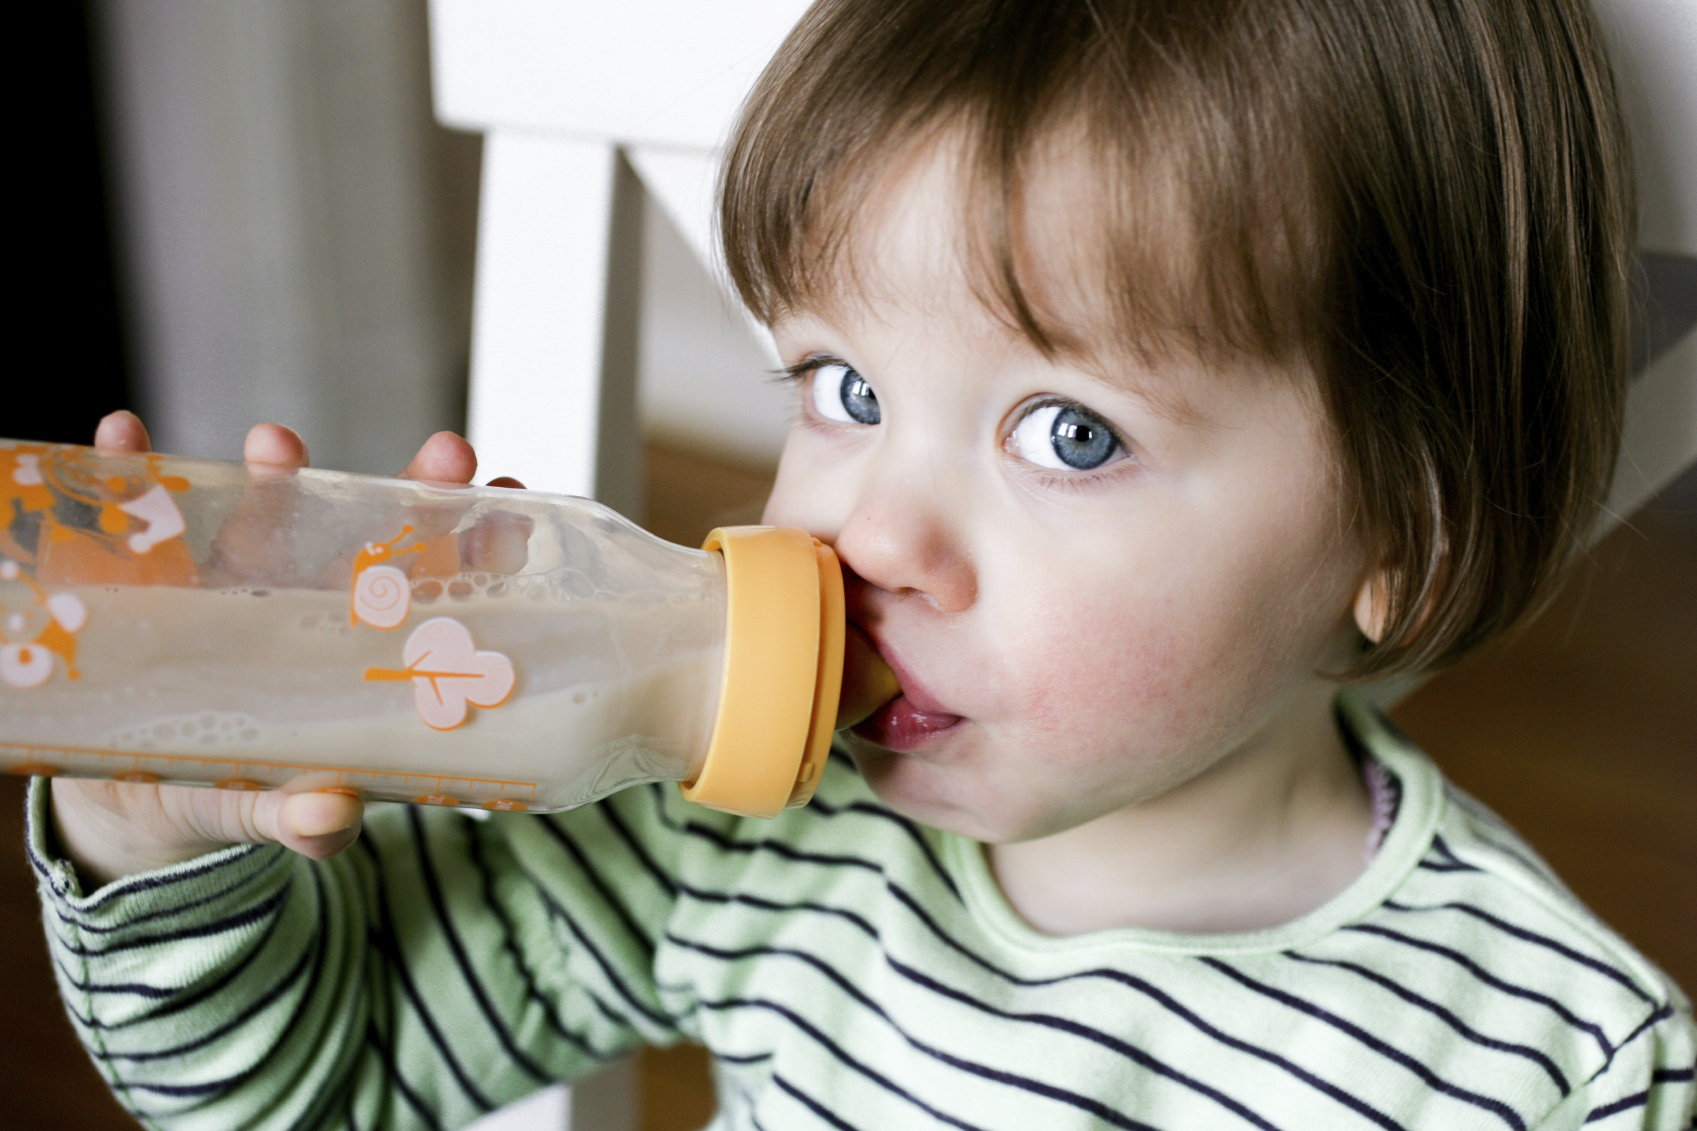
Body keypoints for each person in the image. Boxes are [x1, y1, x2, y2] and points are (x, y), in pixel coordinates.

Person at [29, 0, 1695, 1126]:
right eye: (845, 390)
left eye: (1068, 435)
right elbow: (306, 1076)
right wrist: (152, 818)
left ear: (1408, 536)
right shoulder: (731, 847)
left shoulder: (1544, 1063)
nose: (866, 537)